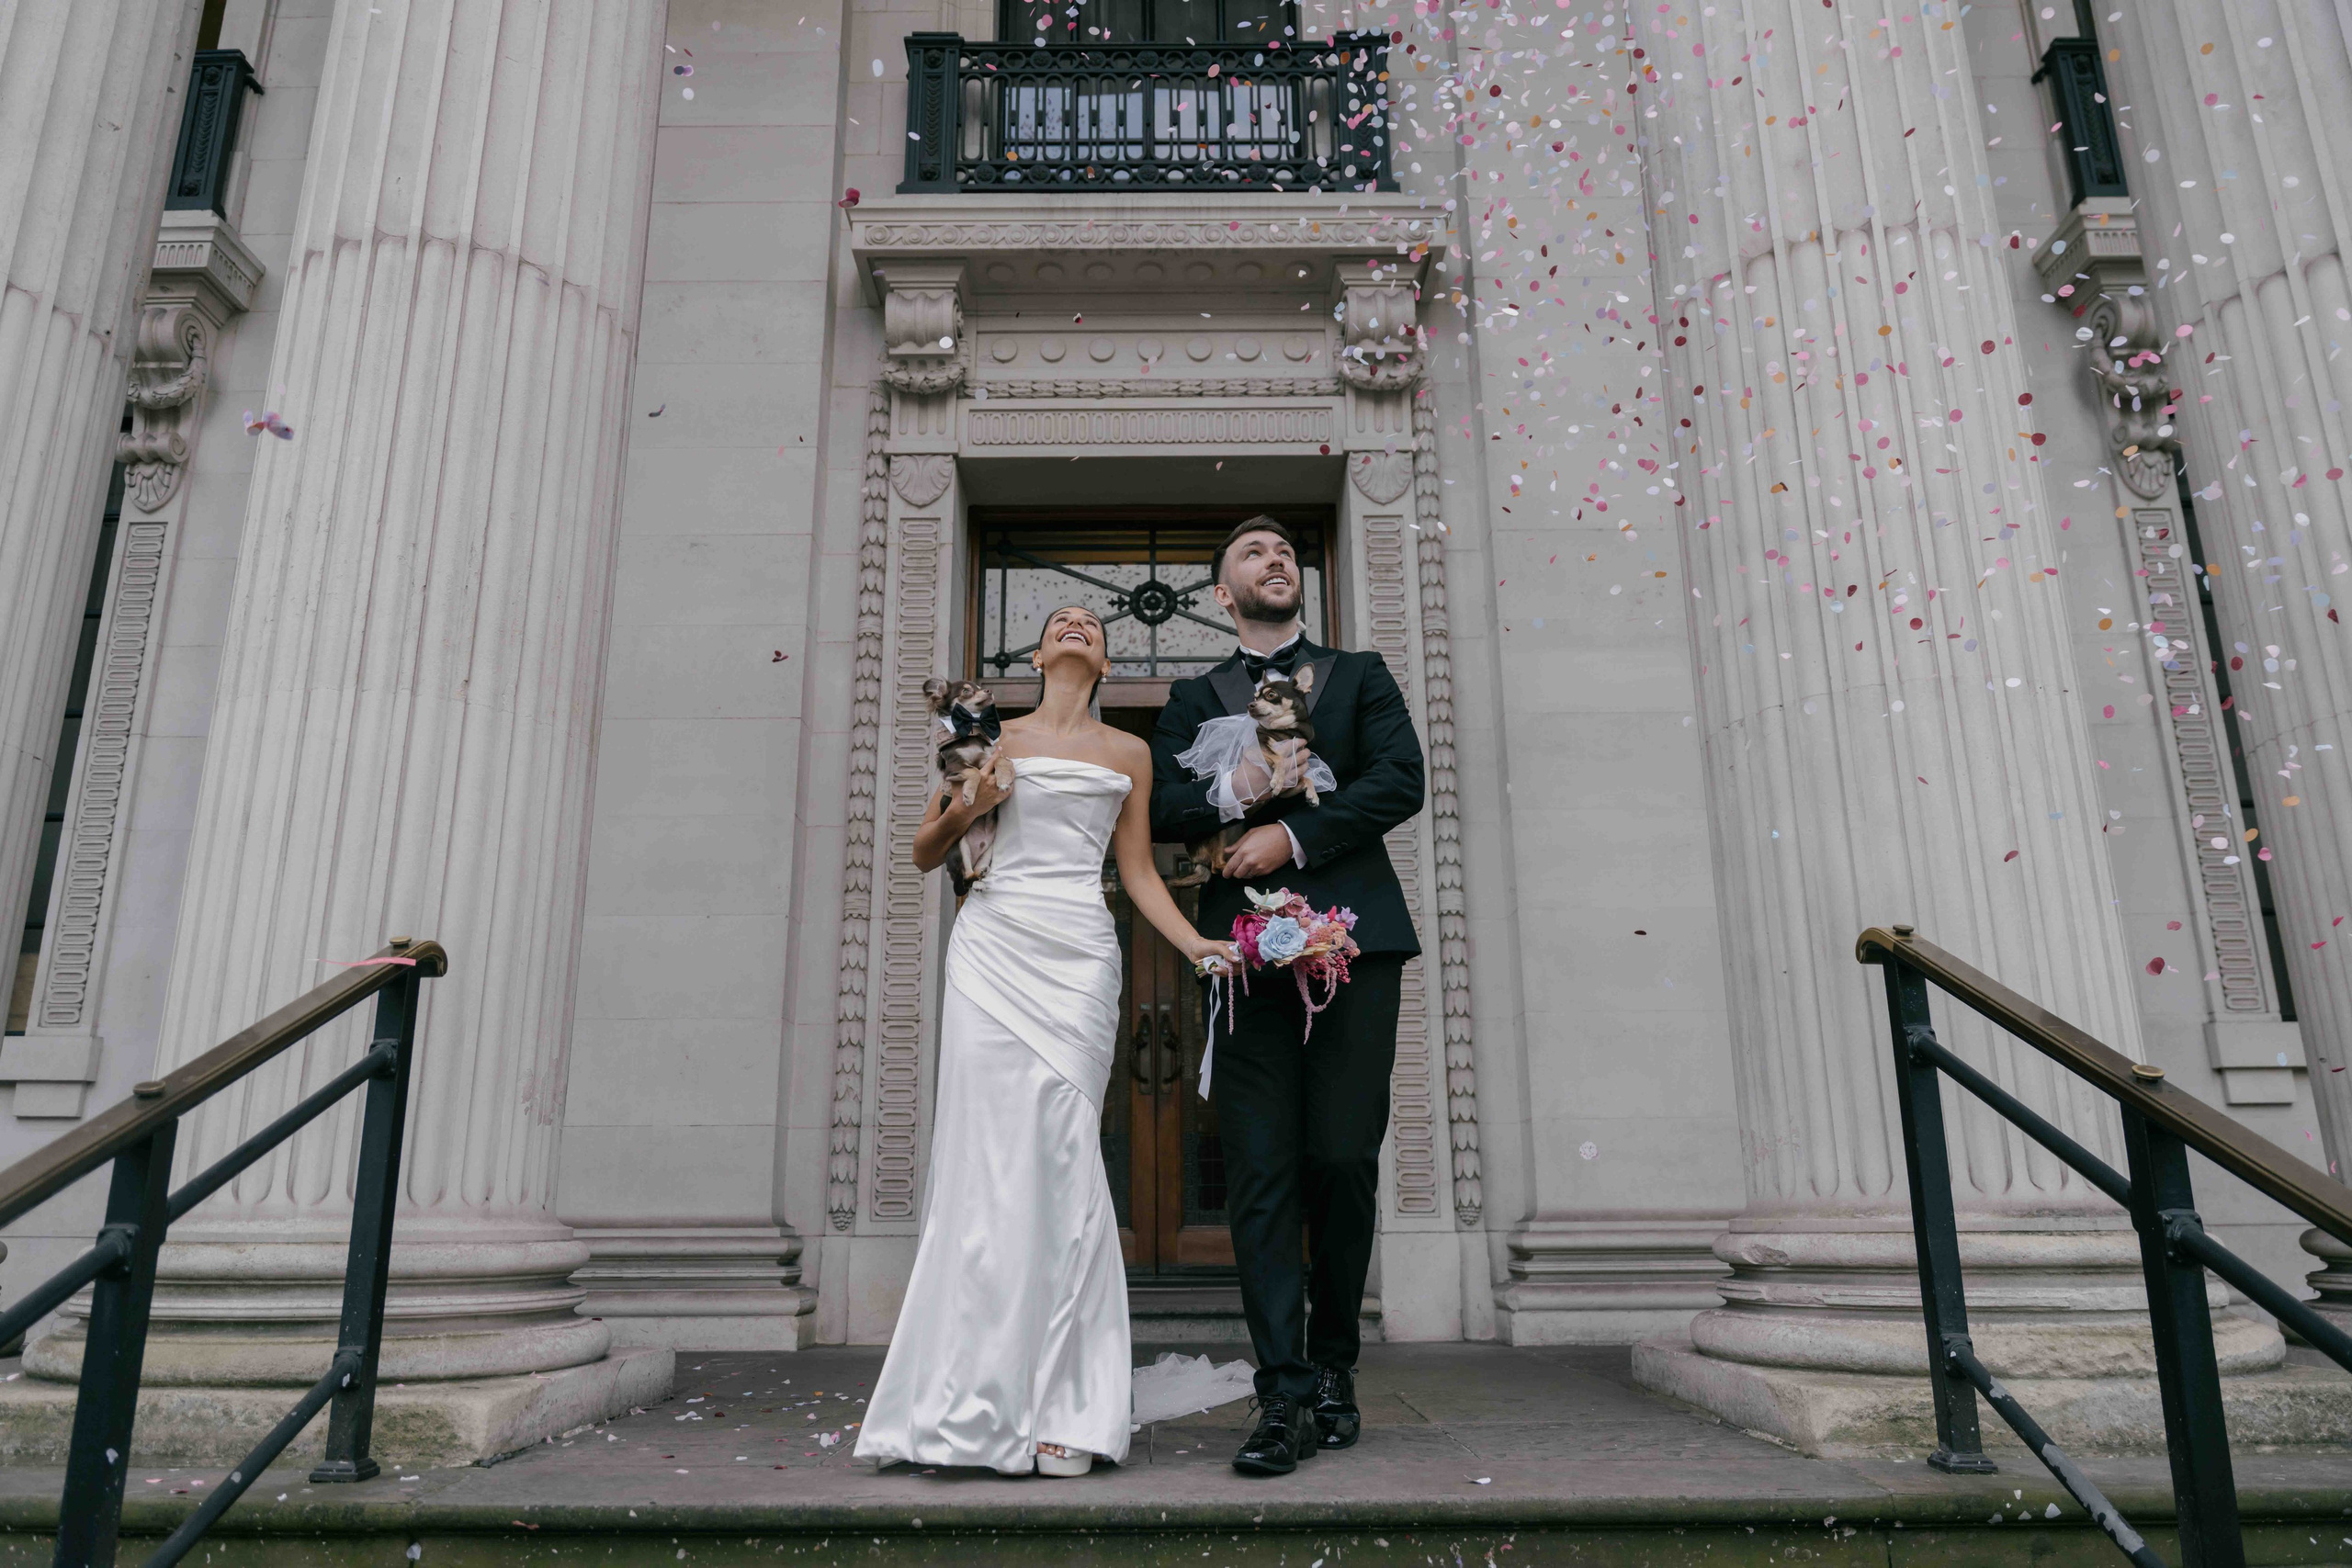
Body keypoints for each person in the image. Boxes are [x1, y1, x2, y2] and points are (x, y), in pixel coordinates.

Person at [856, 604, 1241, 1478]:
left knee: (1067, 1159)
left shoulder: (1129, 754)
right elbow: (924, 853)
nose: (1076, 624)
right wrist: (973, 804)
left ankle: (1071, 1402)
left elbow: (1137, 871)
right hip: (993, 948)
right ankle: (966, 1402)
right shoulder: (988, 736)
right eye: (1059, 618)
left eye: (1090, 624)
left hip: (1079, 955)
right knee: (985, 1164)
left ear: (1102, 661)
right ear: (1036, 654)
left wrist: (1196, 946)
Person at [1149, 516, 1427, 1477]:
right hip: (1244, 955)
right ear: (1222, 594)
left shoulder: (1360, 676)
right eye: (1253, 555)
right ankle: (1283, 1394)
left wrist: (1296, 841)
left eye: (1285, 553)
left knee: (1342, 1157)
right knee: (1261, 1172)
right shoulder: (1191, 697)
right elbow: (1160, 808)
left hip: (1356, 944)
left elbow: (1401, 780)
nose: (1277, 562)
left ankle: (1336, 1364)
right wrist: (1242, 802)